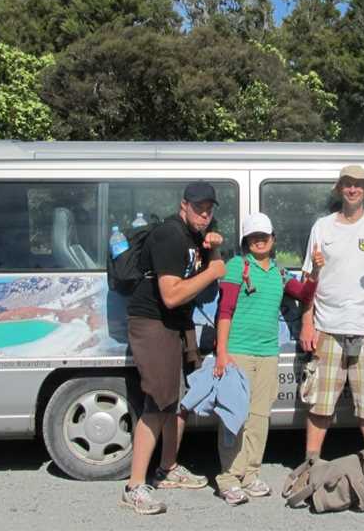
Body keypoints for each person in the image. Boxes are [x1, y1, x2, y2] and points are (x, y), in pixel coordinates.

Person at [298, 164, 364, 500]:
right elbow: (309, 278)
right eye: (347, 184)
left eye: (358, 185)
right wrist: (306, 320)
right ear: (339, 189)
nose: (353, 189)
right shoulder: (322, 226)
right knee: (319, 402)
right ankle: (311, 465)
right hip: (328, 326)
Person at [121, 181, 226, 515]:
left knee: (175, 400)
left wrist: (212, 247)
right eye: (198, 208)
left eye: (209, 209)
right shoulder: (170, 235)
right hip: (154, 323)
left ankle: (167, 469)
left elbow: (202, 266)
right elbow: (171, 294)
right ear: (184, 206)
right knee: (157, 403)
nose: (205, 214)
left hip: (175, 325)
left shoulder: (193, 236)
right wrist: (212, 271)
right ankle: (135, 487)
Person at [213, 212, 324, 506]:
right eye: (254, 237)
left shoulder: (278, 272)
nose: (260, 240)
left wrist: (316, 273)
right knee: (235, 415)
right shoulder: (238, 266)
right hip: (237, 350)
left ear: (273, 239)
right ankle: (228, 477)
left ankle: (250, 474)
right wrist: (222, 352)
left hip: (267, 353)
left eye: (264, 236)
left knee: (260, 417)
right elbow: (225, 311)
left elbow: (304, 293)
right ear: (246, 242)